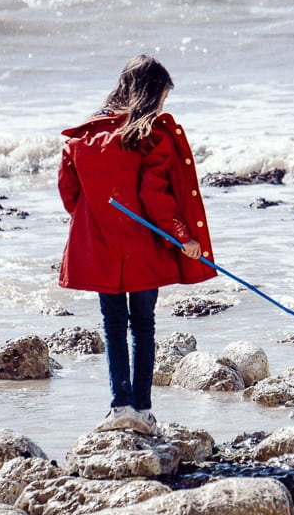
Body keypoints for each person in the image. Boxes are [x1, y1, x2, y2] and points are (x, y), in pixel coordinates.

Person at [57, 55, 215, 435]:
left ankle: (119, 407)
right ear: (148, 94)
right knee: (143, 325)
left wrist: (96, 221)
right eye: (162, 97)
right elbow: (155, 196)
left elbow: (69, 193)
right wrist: (183, 237)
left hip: (100, 249)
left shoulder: (82, 139)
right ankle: (142, 411)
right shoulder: (149, 137)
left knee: (113, 325)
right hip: (144, 248)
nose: (163, 106)